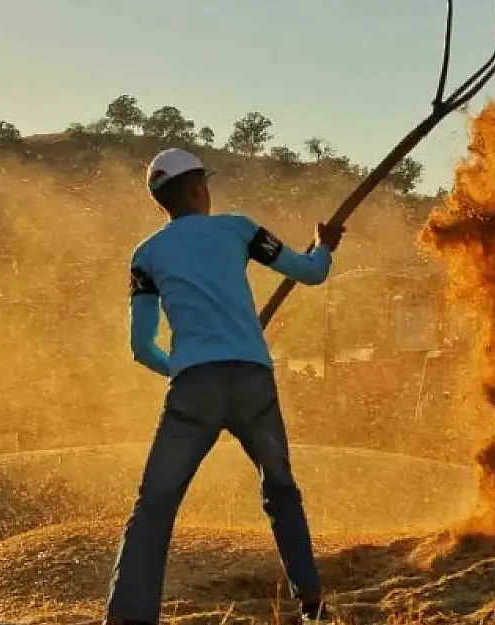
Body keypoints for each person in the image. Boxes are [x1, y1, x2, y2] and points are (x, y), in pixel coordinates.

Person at [104, 148, 344, 625]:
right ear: (197, 188)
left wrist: (188, 368)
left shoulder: (145, 255)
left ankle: (129, 617)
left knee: (154, 506)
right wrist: (325, 245)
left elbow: (141, 347)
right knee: (280, 491)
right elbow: (312, 274)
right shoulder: (239, 229)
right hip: (254, 383)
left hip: (194, 387)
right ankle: (312, 604)